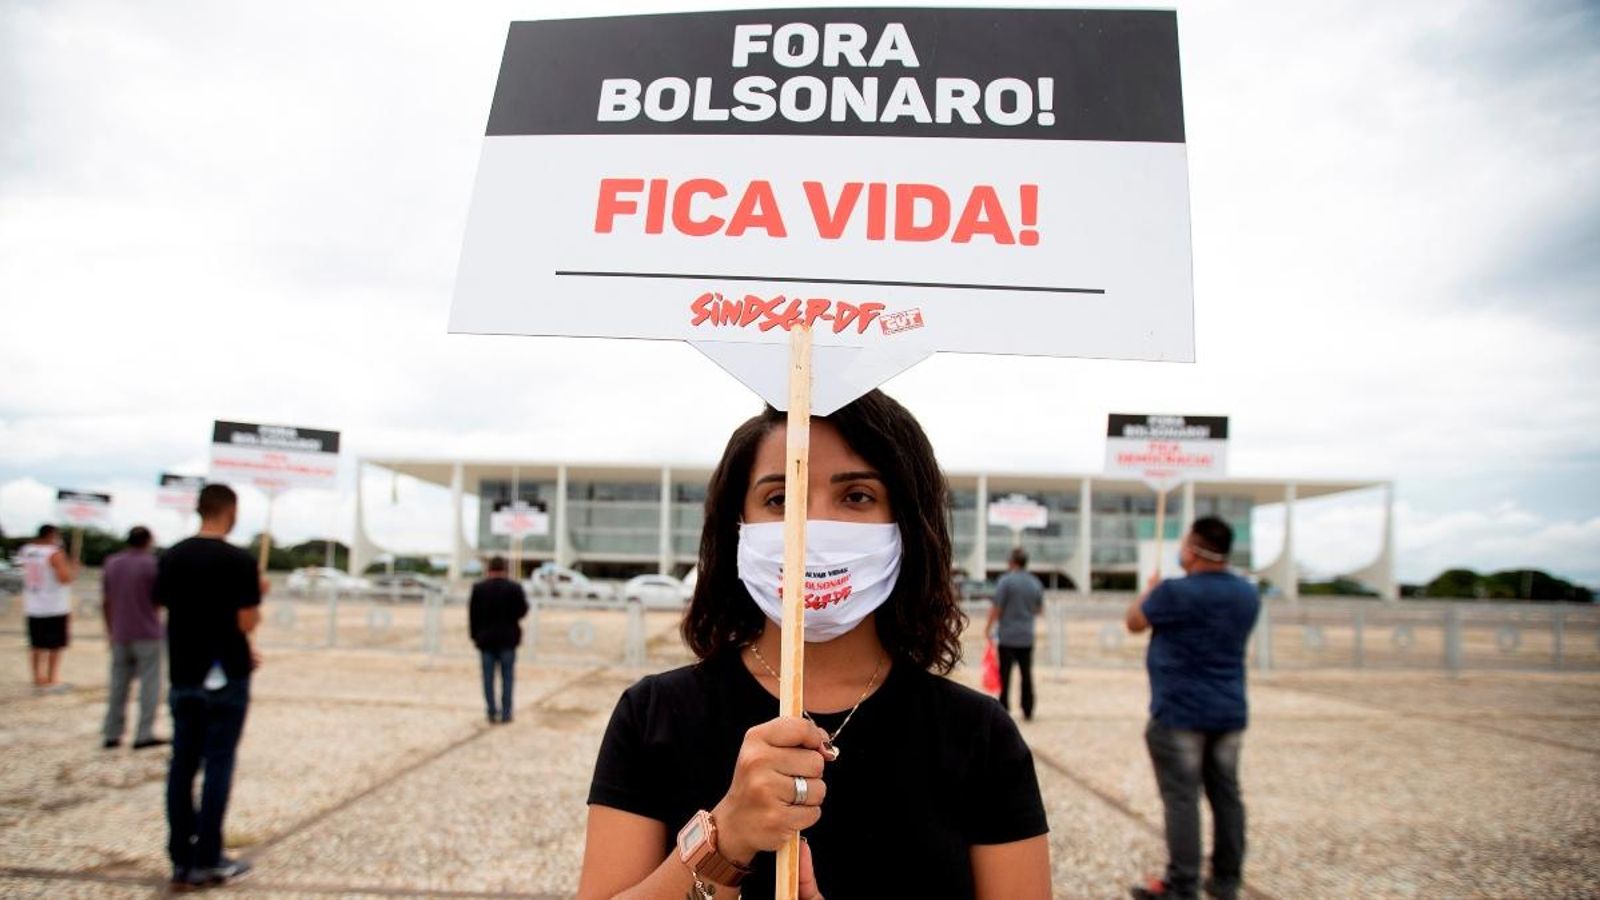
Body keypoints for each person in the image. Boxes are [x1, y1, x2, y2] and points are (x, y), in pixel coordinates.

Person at [577, 390, 1051, 900]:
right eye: (780, 499)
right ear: (737, 526)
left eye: (857, 497)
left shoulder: (979, 737)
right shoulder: (653, 717)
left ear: (907, 526)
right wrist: (725, 839)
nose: (811, 527)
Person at [1124, 517, 1261, 900]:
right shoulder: (1247, 593)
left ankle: (1182, 884)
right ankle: (1226, 879)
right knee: (1227, 796)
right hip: (1229, 710)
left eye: (1184, 544)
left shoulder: (1173, 592)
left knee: (1182, 800)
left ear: (1195, 549)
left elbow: (1134, 622)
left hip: (1180, 711)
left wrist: (1147, 592)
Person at [154, 484, 263, 890]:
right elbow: (246, 621)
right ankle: (208, 857)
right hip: (225, 674)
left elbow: (165, 604)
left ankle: (180, 856)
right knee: (218, 763)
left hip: (184, 671)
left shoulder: (173, 555)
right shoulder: (238, 560)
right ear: (230, 510)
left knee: (182, 765)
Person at [101, 525, 166, 749]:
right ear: (148, 541)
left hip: (120, 632)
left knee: (118, 684)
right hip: (148, 632)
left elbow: (106, 601)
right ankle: (143, 733)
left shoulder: (112, 563)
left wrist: (110, 630)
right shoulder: (152, 565)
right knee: (150, 685)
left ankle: (112, 733)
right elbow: (159, 600)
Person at [985, 547, 1044, 721]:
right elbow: (1038, 608)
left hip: (1008, 636)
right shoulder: (1035, 582)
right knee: (1026, 674)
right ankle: (1028, 708)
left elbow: (997, 608)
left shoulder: (1005, 582)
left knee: (1005, 674)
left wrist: (988, 628)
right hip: (1026, 635)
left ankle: (1004, 708)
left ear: (1012, 562)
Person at [469, 555, 529, 724]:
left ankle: (491, 711)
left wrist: (475, 636)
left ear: (488, 569)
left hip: (485, 640)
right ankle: (506, 713)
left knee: (488, 679)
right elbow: (523, 611)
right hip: (508, 640)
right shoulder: (514, 588)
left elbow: (473, 616)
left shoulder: (479, 588)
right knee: (507, 678)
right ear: (505, 569)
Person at [20, 524, 75, 691]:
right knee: (54, 645)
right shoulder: (54, 553)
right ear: (52, 535)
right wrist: (72, 567)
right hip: (54, 605)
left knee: (36, 644)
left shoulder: (26, 550)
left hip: (33, 603)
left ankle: (37, 676)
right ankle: (52, 678)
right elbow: (64, 578)